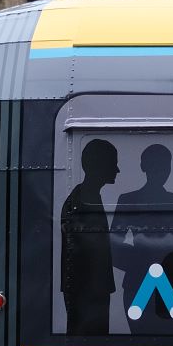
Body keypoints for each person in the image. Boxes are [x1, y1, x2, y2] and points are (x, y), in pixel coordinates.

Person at [112, 143, 173, 335]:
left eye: (165, 166)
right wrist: (145, 259)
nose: (163, 171)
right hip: (151, 280)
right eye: (157, 165)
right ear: (145, 167)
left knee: (162, 335)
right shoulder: (128, 200)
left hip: (148, 280)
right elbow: (114, 245)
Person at [61, 138, 118, 335]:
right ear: (99, 166)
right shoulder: (82, 201)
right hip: (89, 291)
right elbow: (94, 247)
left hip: (91, 289)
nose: (117, 170)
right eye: (113, 163)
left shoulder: (86, 197)